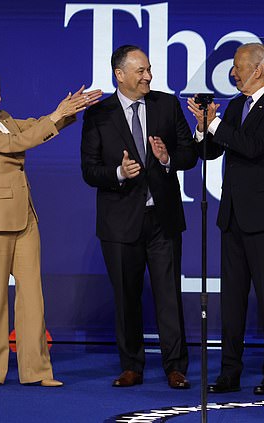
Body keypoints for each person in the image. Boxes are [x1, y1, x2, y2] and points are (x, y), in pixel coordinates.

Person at [0, 68, 101, 387]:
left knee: (32, 294)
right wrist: (56, 115)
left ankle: (36, 370)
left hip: (24, 215)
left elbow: (31, 127)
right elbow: (16, 143)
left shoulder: (3, 117)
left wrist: (64, 113)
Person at [81, 45, 197, 390]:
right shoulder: (99, 114)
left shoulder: (166, 104)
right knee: (126, 297)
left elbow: (188, 153)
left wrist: (166, 158)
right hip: (120, 222)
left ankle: (175, 367)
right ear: (120, 75)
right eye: (141, 71)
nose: (148, 76)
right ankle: (131, 366)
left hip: (163, 219)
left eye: (148, 70)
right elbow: (89, 170)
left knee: (169, 297)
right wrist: (118, 172)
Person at [187, 42, 264, 395]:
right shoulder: (235, 106)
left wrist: (215, 122)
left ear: (258, 69)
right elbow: (213, 150)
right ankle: (229, 372)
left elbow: (253, 146)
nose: (233, 73)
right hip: (232, 217)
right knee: (232, 301)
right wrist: (203, 128)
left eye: (237, 67)